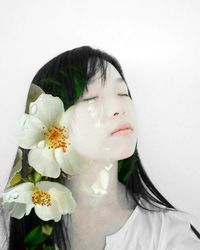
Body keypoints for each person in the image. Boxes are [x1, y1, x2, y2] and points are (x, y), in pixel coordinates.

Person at [1, 45, 200, 250]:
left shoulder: (171, 234)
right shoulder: (9, 224)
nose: (119, 108)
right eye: (90, 98)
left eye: (123, 93)